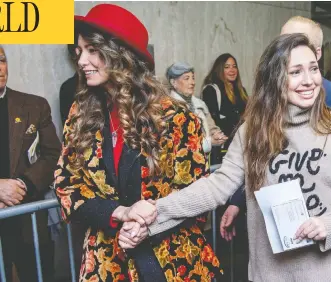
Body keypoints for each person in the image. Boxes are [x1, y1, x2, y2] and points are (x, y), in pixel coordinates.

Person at [135, 33, 331, 282]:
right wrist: (155, 212)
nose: (309, 80)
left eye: (313, 69)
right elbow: (217, 186)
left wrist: (330, 224)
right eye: (295, 72)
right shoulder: (252, 132)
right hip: (270, 274)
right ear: (275, 78)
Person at [54, 4, 222, 282]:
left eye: (92, 50)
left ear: (121, 55)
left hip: (173, 261)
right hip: (107, 261)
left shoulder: (175, 117)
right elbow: (66, 183)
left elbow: (196, 195)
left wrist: (149, 222)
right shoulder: (80, 113)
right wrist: (119, 212)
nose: (82, 60)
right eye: (79, 51)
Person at [221, 15, 331, 244]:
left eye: (298, 41)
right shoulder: (266, 109)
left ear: (316, 53)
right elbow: (256, 160)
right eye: (284, 41)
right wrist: (237, 201)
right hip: (277, 240)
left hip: (327, 236)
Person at [0, 45, 61, 282]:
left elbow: (53, 154)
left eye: (2, 60)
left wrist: (22, 184)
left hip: (28, 221)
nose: (0, 68)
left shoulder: (34, 106)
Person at [166, 62, 228, 154]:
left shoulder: (200, 104)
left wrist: (217, 135)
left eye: (193, 78)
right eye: (187, 78)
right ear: (173, 82)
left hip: (203, 160)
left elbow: (211, 126)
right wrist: (209, 142)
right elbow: (180, 145)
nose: (192, 82)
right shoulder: (170, 108)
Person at [201, 53, 248, 163]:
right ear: (220, 69)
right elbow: (212, 121)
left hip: (243, 145)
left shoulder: (241, 91)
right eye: (227, 67)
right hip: (223, 149)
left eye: (234, 66)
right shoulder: (211, 90)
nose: (232, 70)